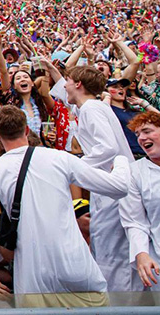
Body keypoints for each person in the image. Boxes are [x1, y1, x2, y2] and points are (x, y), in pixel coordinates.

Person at [0, 105, 134, 307]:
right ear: (27, 130)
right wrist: (120, 160)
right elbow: (119, 187)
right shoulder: (58, 158)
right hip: (75, 266)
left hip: (32, 276)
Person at [64, 65, 140, 292]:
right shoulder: (90, 107)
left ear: (78, 84)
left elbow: (108, 147)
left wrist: (73, 168)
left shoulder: (91, 109)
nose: (65, 85)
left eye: (68, 80)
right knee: (111, 249)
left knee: (111, 252)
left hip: (112, 186)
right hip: (108, 185)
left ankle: (118, 306)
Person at [120, 112, 160, 298]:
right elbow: (135, 221)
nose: (141, 138)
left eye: (147, 131)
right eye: (137, 134)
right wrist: (141, 254)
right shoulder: (135, 172)